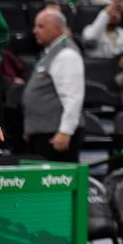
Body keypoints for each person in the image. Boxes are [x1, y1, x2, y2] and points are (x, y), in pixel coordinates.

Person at [22, 10, 84, 162]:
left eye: (41, 26)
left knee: (59, 184)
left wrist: (65, 132)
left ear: (57, 28)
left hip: (56, 136)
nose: (35, 31)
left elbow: (73, 97)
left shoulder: (66, 54)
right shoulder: (51, 52)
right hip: (45, 132)